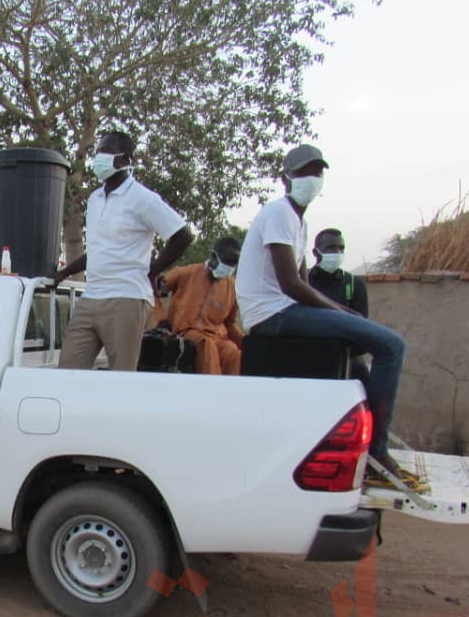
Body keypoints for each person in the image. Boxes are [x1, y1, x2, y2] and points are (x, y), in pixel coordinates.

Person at [234, 144, 421, 490]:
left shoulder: (298, 222)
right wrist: (339, 311)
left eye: (318, 172)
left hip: (285, 310)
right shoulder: (278, 213)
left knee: (358, 351)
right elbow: (291, 284)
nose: (312, 178)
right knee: (391, 345)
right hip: (272, 315)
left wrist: (345, 314)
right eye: (305, 172)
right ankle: (378, 453)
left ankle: (353, 437)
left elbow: (305, 284)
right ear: (285, 178)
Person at [53, 131, 193, 371]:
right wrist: (63, 274)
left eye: (106, 153)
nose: (99, 158)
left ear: (125, 160)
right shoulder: (96, 198)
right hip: (91, 296)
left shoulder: (143, 198)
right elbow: (98, 250)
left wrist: (154, 269)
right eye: (98, 152)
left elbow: (182, 235)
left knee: (121, 375)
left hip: (126, 296)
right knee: (68, 370)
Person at [157, 237, 244, 375]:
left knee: (234, 354)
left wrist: (246, 343)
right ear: (213, 257)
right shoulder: (185, 273)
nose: (228, 267)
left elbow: (230, 323)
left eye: (233, 264)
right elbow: (153, 291)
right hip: (187, 332)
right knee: (207, 347)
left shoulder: (233, 287)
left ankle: (233, 394)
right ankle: (211, 392)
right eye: (226, 262)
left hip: (218, 337)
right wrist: (160, 319)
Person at [308, 228, 371, 388]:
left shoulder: (354, 285)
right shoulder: (303, 282)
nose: (337, 252)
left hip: (346, 355)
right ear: (316, 252)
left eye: (341, 248)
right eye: (330, 247)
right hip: (308, 353)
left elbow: (363, 332)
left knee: (364, 379)